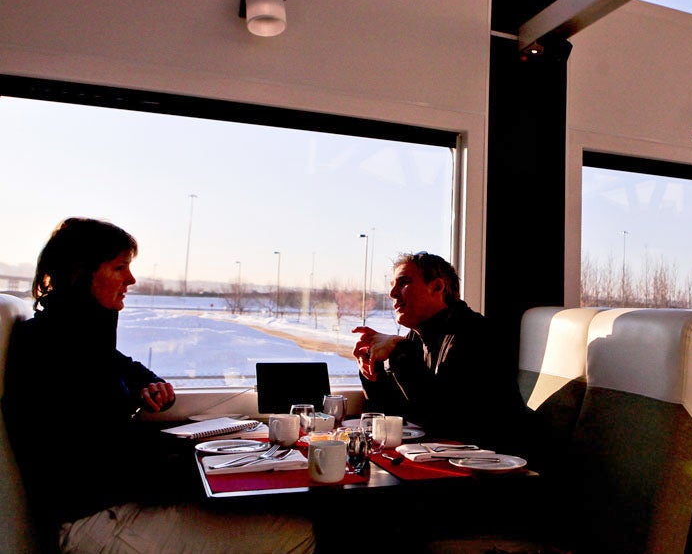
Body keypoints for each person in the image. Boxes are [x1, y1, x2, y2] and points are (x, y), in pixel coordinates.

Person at [2, 218, 315, 553]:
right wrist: (197, 466)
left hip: (112, 502)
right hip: (94, 519)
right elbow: (97, 454)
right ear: (80, 273)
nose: (131, 279)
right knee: (298, 534)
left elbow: (124, 367)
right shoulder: (52, 346)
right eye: (119, 268)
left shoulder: (78, 335)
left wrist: (148, 386)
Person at [353, 252, 527, 453]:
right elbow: (401, 413)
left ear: (437, 287)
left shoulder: (477, 334)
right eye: (392, 285)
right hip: (448, 455)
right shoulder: (417, 337)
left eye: (403, 283)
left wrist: (399, 352)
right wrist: (373, 369)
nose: (392, 293)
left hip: (492, 460)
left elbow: (443, 420)